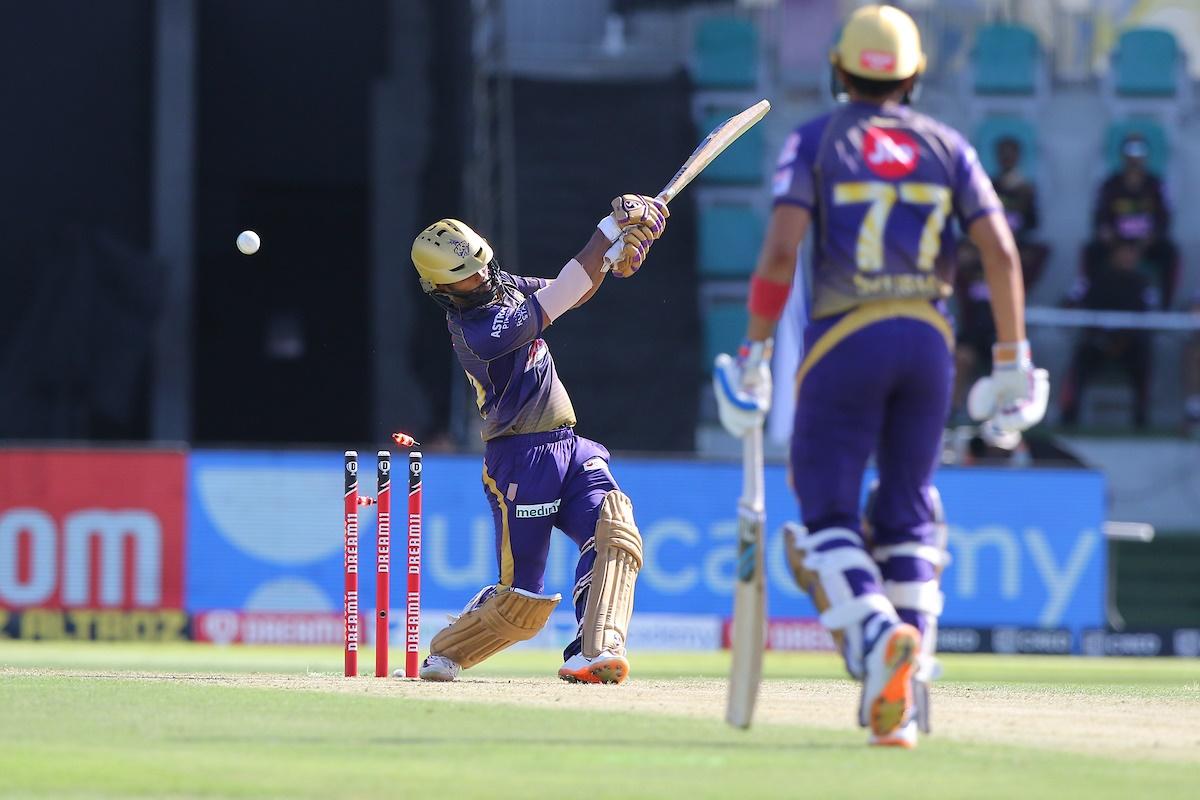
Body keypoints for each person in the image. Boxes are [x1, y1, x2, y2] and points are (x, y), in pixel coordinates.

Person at [714, 4, 1047, 748]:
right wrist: (1011, 358)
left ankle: (872, 633)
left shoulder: (817, 139)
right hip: (931, 341)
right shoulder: (948, 144)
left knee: (828, 511)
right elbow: (1000, 253)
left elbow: (777, 255)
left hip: (847, 341)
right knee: (907, 509)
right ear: (915, 74)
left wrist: (756, 351)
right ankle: (906, 684)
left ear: (839, 68)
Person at [409, 195, 668, 684]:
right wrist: (609, 226)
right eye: (465, 275)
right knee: (522, 602)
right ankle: (446, 651)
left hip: (568, 447)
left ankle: (594, 651)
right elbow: (565, 291)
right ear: (442, 290)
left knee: (615, 531)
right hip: (519, 460)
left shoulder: (501, 287)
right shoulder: (478, 331)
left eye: (481, 264)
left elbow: (572, 289)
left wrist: (617, 259)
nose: (481, 278)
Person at [1060, 242, 1157, 429]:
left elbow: (1153, 314)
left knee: (1144, 358)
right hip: (1097, 341)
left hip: (1131, 342)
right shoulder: (1091, 278)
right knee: (1081, 360)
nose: (1128, 257)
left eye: (1133, 253)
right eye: (1124, 252)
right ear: (1113, 254)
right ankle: (1069, 415)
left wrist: (1124, 340)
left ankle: (1141, 417)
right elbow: (1068, 303)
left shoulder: (1143, 282)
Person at [1086, 134, 1177, 308]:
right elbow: (1101, 220)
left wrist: (1139, 249)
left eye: (1139, 152)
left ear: (1146, 156)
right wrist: (1117, 247)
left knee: (1169, 253)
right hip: (1117, 243)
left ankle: (1165, 308)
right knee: (1092, 251)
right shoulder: (1110, 185)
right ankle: (1091, 309)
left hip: (1146, 245)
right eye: (1130, 152)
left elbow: (1163, 221)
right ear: (1122, 155)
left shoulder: (1156, 185)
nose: (1135, 158)